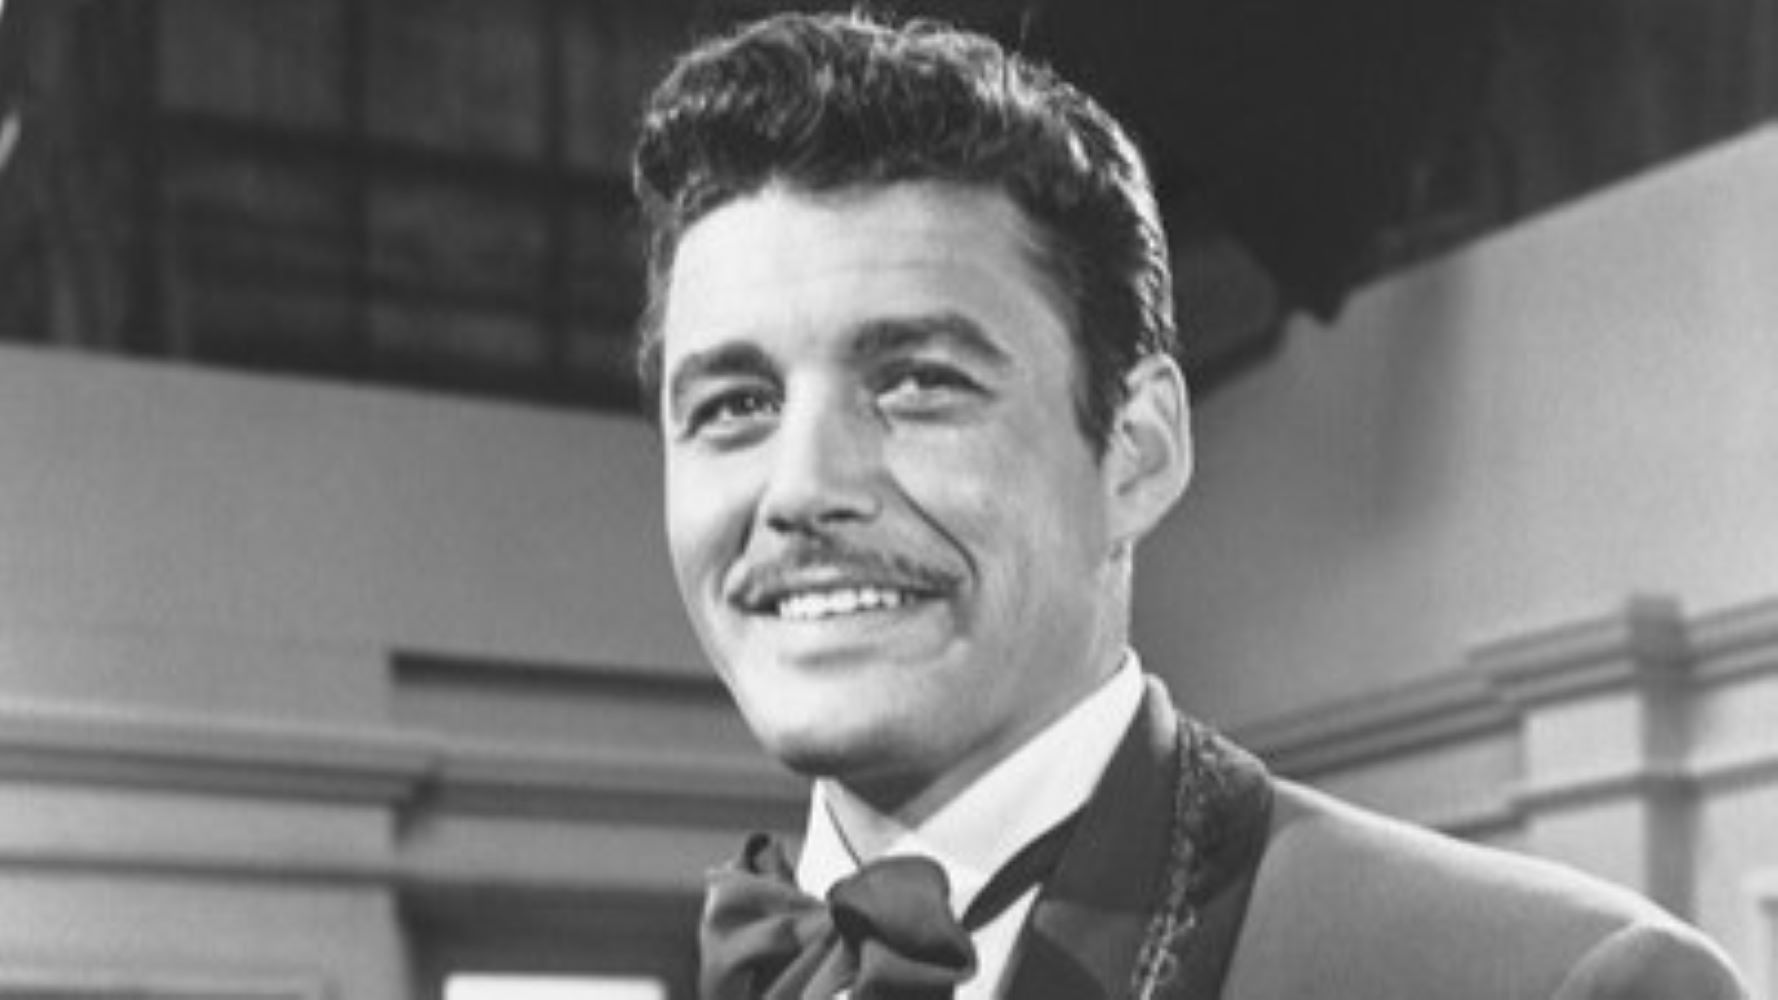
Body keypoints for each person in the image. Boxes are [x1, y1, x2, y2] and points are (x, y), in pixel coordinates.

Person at [630, 11, 1748, 1000]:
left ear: (1137, 451)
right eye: (735, 404)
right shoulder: (758, 968)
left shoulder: (1564, 985)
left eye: (918, 383)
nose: (804, 487)